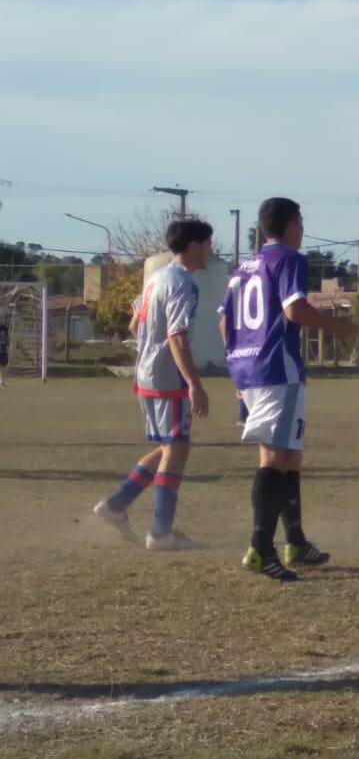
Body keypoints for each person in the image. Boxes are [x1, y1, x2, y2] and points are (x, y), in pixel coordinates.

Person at [222, 198, 359, 581]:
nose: (303, 229)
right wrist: (340, 326)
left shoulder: (242, 268)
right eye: (301, 222)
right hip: (276, 368)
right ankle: (260, 548)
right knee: (275, 456)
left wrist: (235, 362)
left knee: (289, 453)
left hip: (249, 367)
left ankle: (295, 540)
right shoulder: (288, 260)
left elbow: (224, 320)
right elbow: (295, 310)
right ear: (292, 224)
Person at [93, 218, 214, 550]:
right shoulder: (183, 284)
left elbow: (135, 325)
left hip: (146, 375)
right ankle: (161, 533)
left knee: (169, 446)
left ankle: (116, 505)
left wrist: (152, 346)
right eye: (208, 245)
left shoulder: (156, 278)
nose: (210, 252)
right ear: (193, 246)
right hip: (168, 378)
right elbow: (176, 336)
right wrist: (193, 383)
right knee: (176, 449)